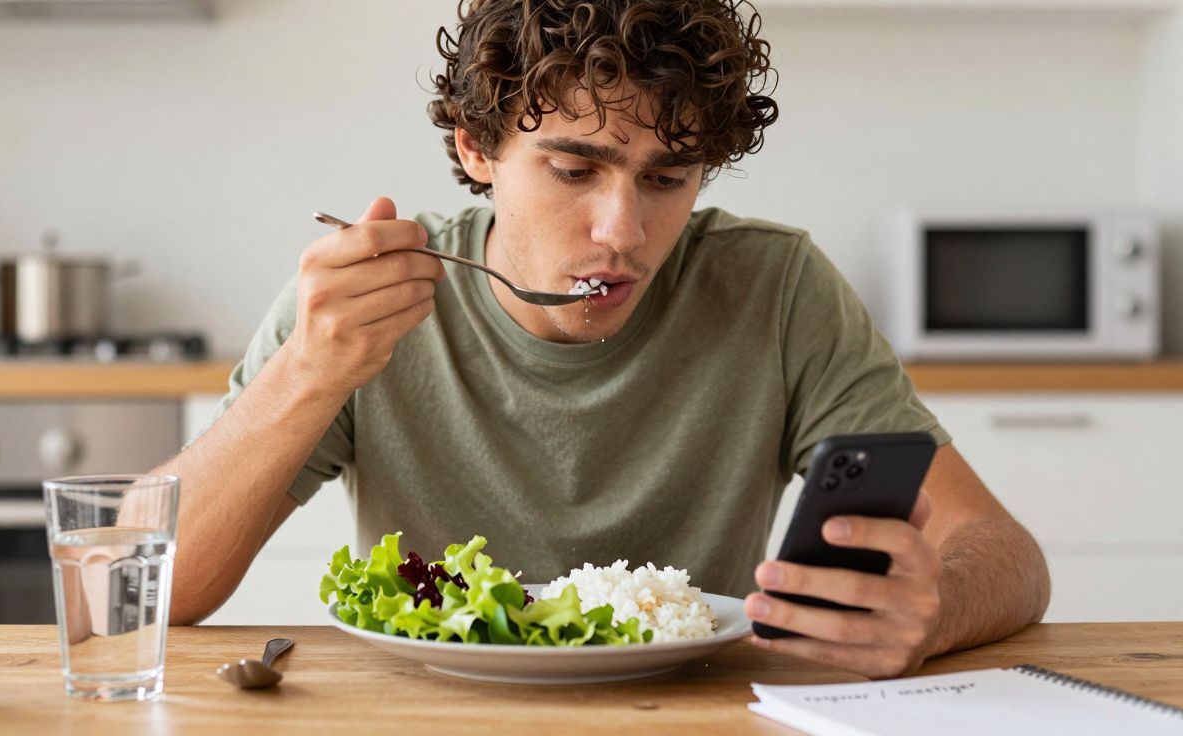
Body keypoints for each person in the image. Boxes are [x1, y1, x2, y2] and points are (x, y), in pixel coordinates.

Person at [156, 0, 1050, 679]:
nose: (623, 232)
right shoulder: (363, 305)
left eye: (667, 178)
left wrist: (934, 609)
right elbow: (149, 590)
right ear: (476, 150)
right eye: (574, 169)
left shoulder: (774, 287)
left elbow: (1006, 555)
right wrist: (305, 374)